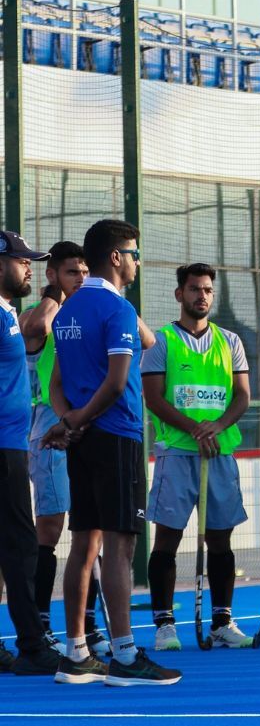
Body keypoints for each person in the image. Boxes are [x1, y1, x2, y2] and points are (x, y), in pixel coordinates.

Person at [43, 219, 179, 685]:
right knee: (121, 547)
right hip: (116, 435)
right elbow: (119, 381)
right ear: (117, 257)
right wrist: (75, 422)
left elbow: (57, 383)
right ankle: (124, 656)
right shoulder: (117, 310)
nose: (139, 261)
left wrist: (68, 422)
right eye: (134, 253)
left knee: (84, 544)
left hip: (83, 440)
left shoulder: (68, 310)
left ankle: (76, 651)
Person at [141, 263, 255, 649]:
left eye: (207, 289)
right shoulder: (161, 342)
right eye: (194, 289)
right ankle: (164, 625)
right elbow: (153, 398)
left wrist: (217, 427)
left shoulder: (231, 342)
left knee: (221, 542)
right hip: (177, 453)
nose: (201, 296)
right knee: (167, 541)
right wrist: (194, 428)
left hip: (219, 454)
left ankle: (222, 622)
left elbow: (242, 396)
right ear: (179, 294)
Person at [17, 240, 102, 655]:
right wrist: (56, 295)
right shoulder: (38, 315)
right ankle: (39, 623)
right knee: (49, 527)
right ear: (52, 275)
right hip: (50, 426)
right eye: (72, 271)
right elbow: (37, 329)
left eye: (85, 271)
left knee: (93, 524)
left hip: (89, 424)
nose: (81, 278)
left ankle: (88, 622)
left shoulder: (93, 314)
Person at [0, 231, 62, 675]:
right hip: (2, 448)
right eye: (21, 261)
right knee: (22, 546)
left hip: (11, 444)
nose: (28, 268)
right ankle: (33, 648)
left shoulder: (6, 313)